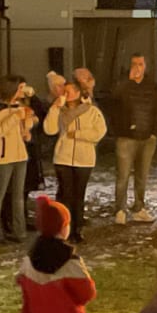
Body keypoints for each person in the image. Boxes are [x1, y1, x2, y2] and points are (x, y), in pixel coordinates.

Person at [43, 74, 106, 244]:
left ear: (78, 93)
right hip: (63, 157)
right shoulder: (60, 110)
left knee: (78, 195)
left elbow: (98, 133)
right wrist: (55, 108)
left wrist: (78, 135)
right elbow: (49, 129)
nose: (66, 94)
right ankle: (63, 228)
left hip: (84, 158)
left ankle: (77, 229)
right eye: (64, 91)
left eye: (69, 91)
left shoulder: (91, 111)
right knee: (65, 194)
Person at [111, 54, 157, 224]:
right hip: (126, 138)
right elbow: (113, 101)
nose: (137, 67)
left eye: (140, 64)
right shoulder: (122, 85)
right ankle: (120, 209)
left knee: (142, 175)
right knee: (123, 175)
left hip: (147, 137)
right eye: (134, 64)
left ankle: (139, 207)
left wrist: (154, 132)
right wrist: (127, 81)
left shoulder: (151, 86)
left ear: (145, 66)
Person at [0, 75, 35, 245]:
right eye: (20, 88)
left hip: (20, 156)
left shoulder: (18, 106)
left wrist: (27, 124)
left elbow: (22, 131)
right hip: (3, 158)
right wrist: (15, 117)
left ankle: (19, 231)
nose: (22, 92)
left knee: (18, 196)